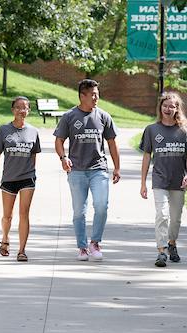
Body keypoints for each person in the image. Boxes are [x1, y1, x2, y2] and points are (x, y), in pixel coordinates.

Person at [54, 79, 120, 261]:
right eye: (92, 94)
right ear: (82, 96)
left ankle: (95, 242)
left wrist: (117, 168)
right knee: (79, 211)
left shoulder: (104, 116)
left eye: (97, 94)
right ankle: (82, 247)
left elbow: (112, 143)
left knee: (101, 206)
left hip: (98, 168)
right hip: (76, 171)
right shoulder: (69, 117)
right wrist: (63, 158)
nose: (96, 97)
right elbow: (59, 141)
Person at [139, 91, 187, 267]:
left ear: (177, 108)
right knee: (162, 214)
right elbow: (146, 156)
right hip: (159, 179)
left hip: (178, 180)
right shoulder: (152, 130)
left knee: (176, 217)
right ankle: (161, 251)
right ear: (160, 107)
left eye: (172, 106)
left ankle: (172, 243)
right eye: (165, 105)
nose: (168, 108)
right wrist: (143, 183)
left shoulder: (185, 129)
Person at [0, 96, 41, 262]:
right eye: (18, 107)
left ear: (29, 111)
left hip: (27, 178)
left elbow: (33, 154)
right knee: (7, 216)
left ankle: (22, 250)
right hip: (9, 178)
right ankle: (5, 238)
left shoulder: (33, 131)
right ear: (13, 110)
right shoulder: (4, 130)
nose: (21, 110)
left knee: (24, 214)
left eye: (25, 107)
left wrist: (32, 172)